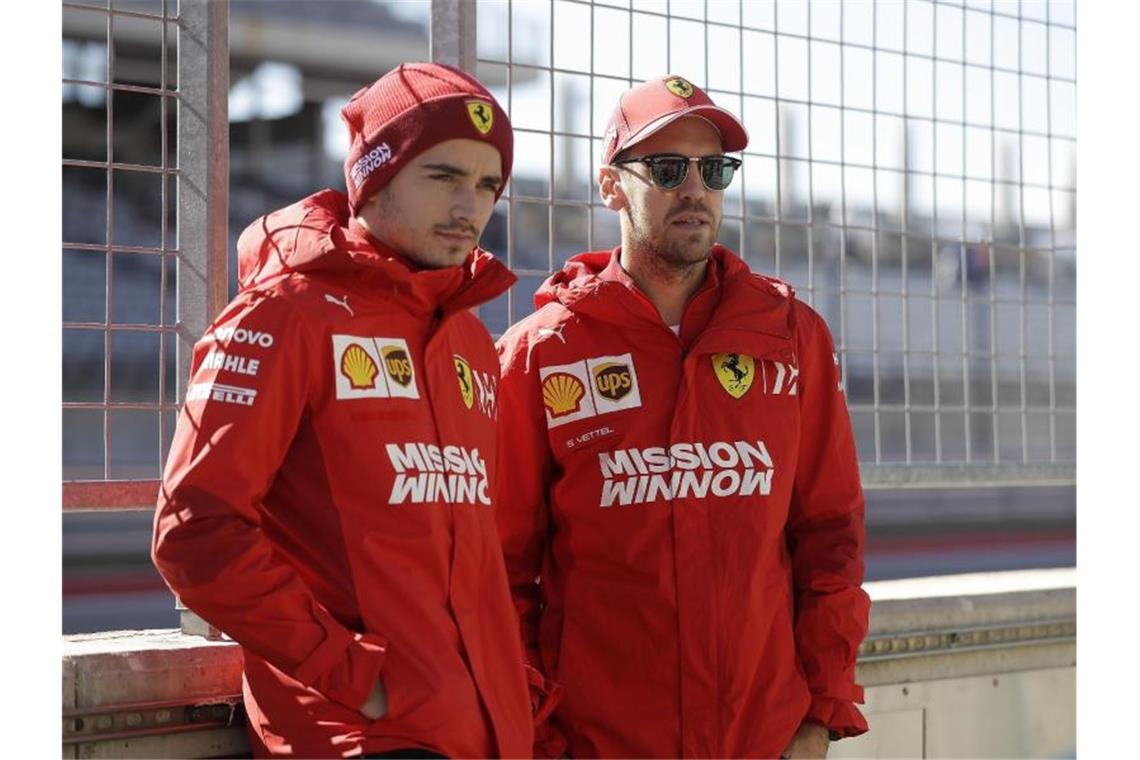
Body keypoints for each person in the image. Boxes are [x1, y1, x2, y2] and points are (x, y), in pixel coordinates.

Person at [152, 62, 535, 759]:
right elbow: (194, 531)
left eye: (486, 185)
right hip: (361, 735)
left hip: (482, 734)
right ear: (374, 176)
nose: (470, 207)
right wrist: (352, 676)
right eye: (444, 176)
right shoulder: (284, 315)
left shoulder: (471, 340)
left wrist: (515, 693)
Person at [495, 75, 871, 759]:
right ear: (612, 187)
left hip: (764, 737)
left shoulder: (792, 336)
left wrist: (820, 714)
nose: (695, 189)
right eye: (667, 169)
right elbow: (502, 571)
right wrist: (538, 735)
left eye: (714, 169)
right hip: (598, 742)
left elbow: (829, 538)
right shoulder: (542, 352)